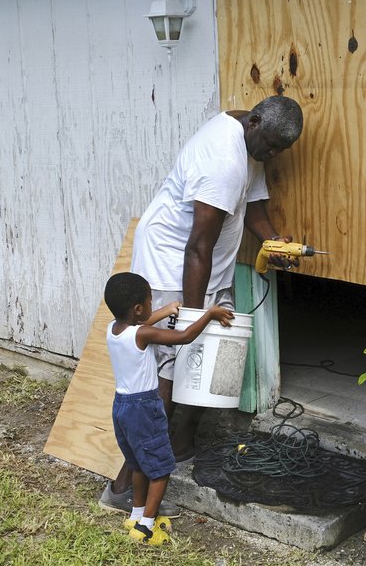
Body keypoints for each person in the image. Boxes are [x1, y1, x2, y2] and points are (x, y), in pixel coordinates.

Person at [98, 95, 304, 515]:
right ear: (255, 121)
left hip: (203, 265)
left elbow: (254, 205)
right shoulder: (223, 161)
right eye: (270, 146)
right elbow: (197, 247)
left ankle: (182, 444)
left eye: (280, 151)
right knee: (171, 369)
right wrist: (191, 318)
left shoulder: (247, 137)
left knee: (206, 354)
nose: (272, 155)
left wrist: (272, 239)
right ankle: (123, 486)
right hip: (173, 263)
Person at [103, 271, 234, 544]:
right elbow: (185, 336)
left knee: (138, 463)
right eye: (150, 302)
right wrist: (209, 314)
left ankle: (136, 514)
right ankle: (146, 527)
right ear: (139, 308)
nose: (152, 306)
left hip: (122, 407)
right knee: (161, 469)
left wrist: (164, 310)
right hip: (145, 407)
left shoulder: (114, 330)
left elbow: (142, 324)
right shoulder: (143, 335)